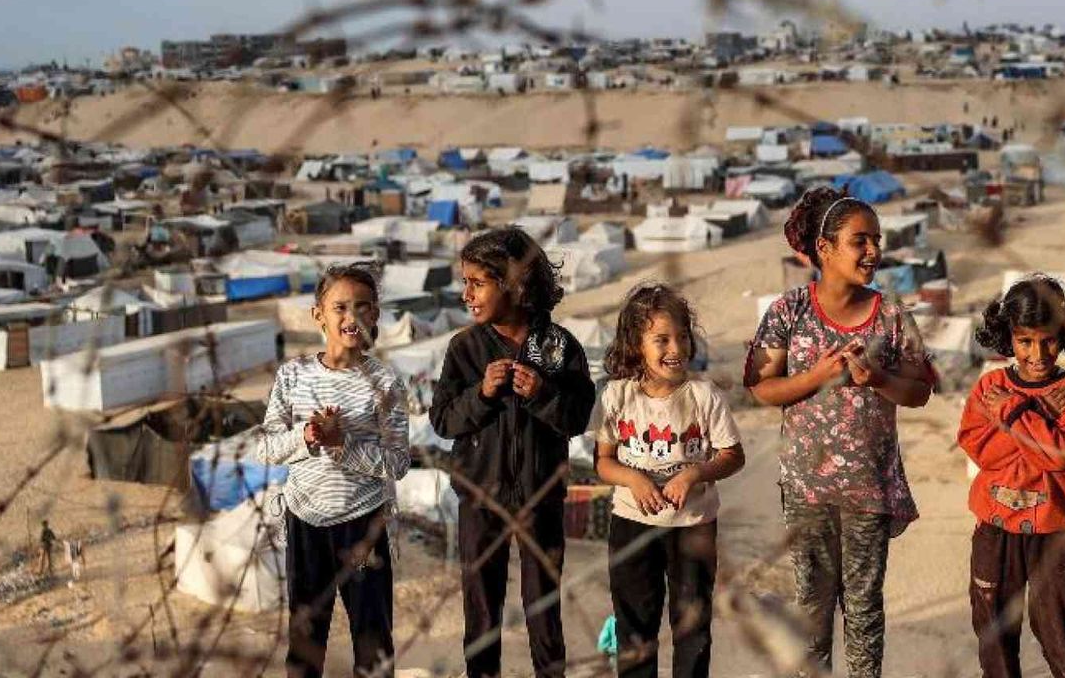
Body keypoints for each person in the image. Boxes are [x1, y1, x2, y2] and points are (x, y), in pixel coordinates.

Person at [743, 187, 936, 678]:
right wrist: (814, 378)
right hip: (807, 488)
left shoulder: (893, 318)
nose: (873, 251)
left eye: (877, 240)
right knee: (811, 607)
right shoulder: (789, 312)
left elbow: (920, 393)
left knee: (865, 608)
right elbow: (759, 387)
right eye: (860, 241)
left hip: (869, 488)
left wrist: (878, 380)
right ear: (824, 249)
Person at [430, 227, 596, 678]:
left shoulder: (559, 347)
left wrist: (543, 394)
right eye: (464, 282)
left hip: (540, 497)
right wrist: (481, 394)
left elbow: (578, 416)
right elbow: (443, 420)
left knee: (543, 606)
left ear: (514, 283)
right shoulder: (464, 348)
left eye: (477, 282)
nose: (467, 293)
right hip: (480, 498)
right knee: (480, 606)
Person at [257, 263, 411, 678]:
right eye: (340, 307)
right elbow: (265, 447)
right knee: (306, 636)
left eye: (362, 307)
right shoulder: (292, 376)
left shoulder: (386, 383)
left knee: (372, 638)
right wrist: (307, 437)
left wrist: (342, 446)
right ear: (318, 315)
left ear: (375, 315)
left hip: (363, 524)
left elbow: (398, 462)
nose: (351, 317)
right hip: (305, 521)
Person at [590, 283, 745, 678]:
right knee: (634, 627)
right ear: (634, 344)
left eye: (681, 337)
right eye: (661, 339)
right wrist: (634, 480)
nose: (674, 349)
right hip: (631, 526)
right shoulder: (616, 396)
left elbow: (732, 455)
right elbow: (603, 463)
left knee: (691, 628)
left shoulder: (703, 396)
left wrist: (695, 473)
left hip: (693, 528)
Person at [959, 277, 1065, 678]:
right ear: (1008, 338)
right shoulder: (989, 386)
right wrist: (1038, 424)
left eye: (1048, 341)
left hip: (1056, 528)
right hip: (996, 526)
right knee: (994, 632)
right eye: (1025, 342)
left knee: (1063, 631)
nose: (1037, 354)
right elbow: (980, 450)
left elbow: (1059, 458)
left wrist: (1014, 411)